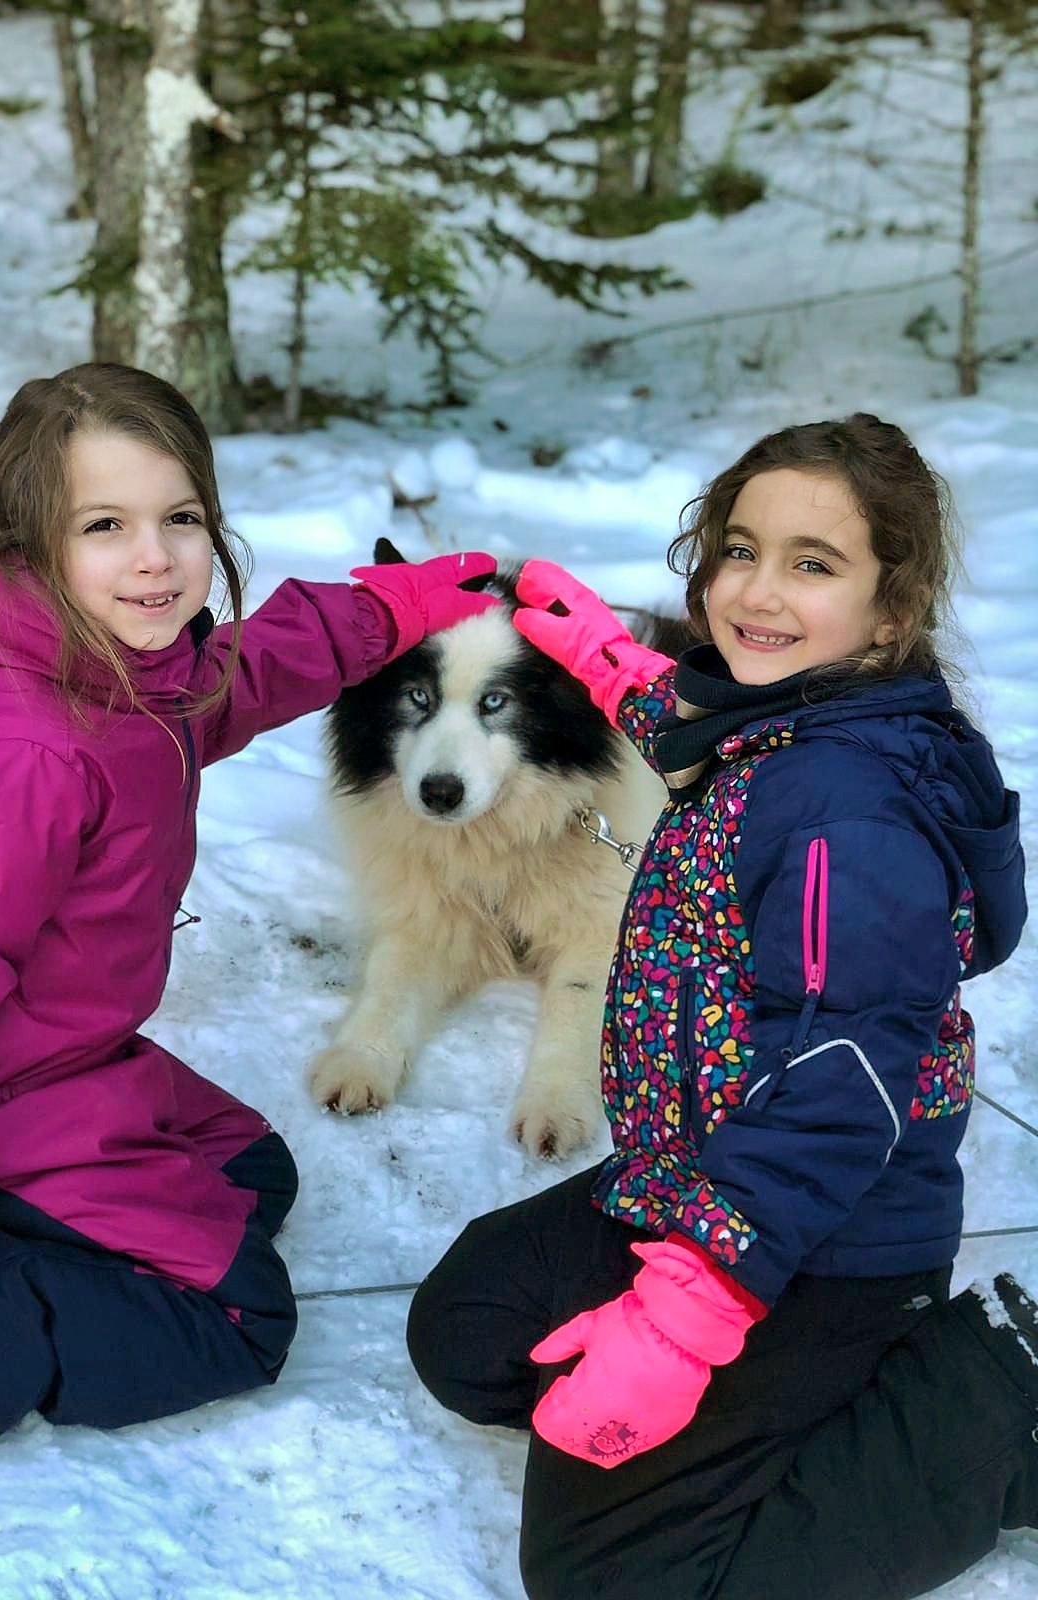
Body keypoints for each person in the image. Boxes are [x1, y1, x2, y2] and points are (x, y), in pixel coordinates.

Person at [407, 413, 1030, 1600]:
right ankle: (732, 1410)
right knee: (469, 1331)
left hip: (821, 1238)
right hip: (694, 1172)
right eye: (741, 549)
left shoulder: (852, 819)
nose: (757, 589)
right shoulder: (793, 722)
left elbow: (833, 1102)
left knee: (607, 1576)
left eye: (813, 563)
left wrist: (678, 1319)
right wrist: (597, 654)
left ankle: (994, 1401)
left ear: (891, 611)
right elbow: (706, 728)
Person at [0, 362, 497, 1458]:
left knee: (253, 1171)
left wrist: (384, 613)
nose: (155, 556)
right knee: (240, 1316)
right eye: (105, 525)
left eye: (180, 518)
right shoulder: (31, 755)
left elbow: (242, 678)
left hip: (68, 1054)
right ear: (27, 549)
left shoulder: (124, 676)